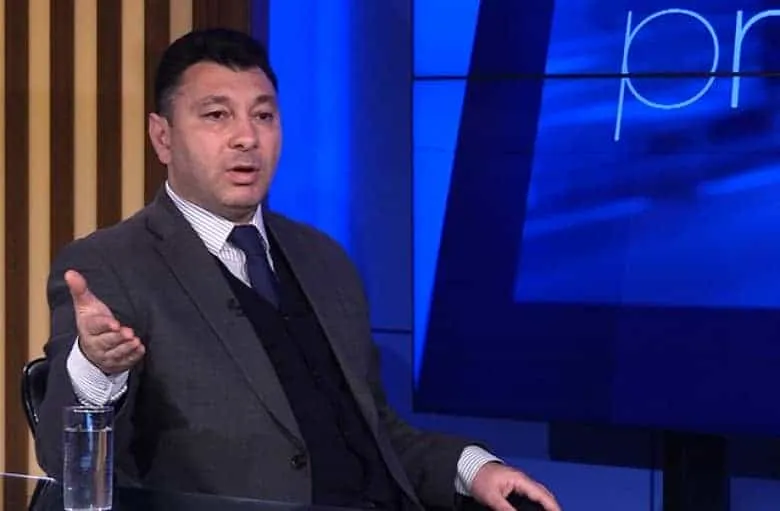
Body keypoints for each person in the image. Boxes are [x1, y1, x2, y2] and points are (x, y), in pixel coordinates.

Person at [34, 28, 560, 511]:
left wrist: (474, 469)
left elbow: (378, 434)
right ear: (163, 137)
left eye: (263, 116)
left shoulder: (323, 258)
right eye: (217, 116)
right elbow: (62, 462)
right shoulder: (111, 266)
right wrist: (98, 369)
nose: (246, 138)